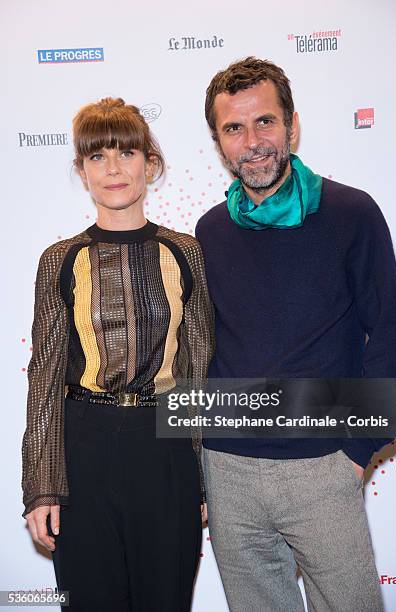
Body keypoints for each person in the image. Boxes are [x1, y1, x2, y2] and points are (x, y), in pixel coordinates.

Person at [195, 57, 396, 612]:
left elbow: (388, 333)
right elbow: (202, 345)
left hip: (324, 467)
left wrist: (357, 452)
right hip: (229, 470)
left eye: (264, 121)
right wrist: (198, 459)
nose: (253, 141)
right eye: (234, 129)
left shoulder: (351, 212)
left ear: (292, 125)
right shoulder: (210, 230)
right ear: (220, 143)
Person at [22, 97, 214, 612]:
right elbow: (43, 378)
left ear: (150, 165)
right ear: (82, 171)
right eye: (97, 156)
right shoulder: (60, 260)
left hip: (165, 449)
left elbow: (199, 370)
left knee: (165, 601)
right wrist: (42, 487)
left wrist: (202, 477)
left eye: (126, 153)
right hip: (83, 448)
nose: (113, 168)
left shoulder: (185, 251)